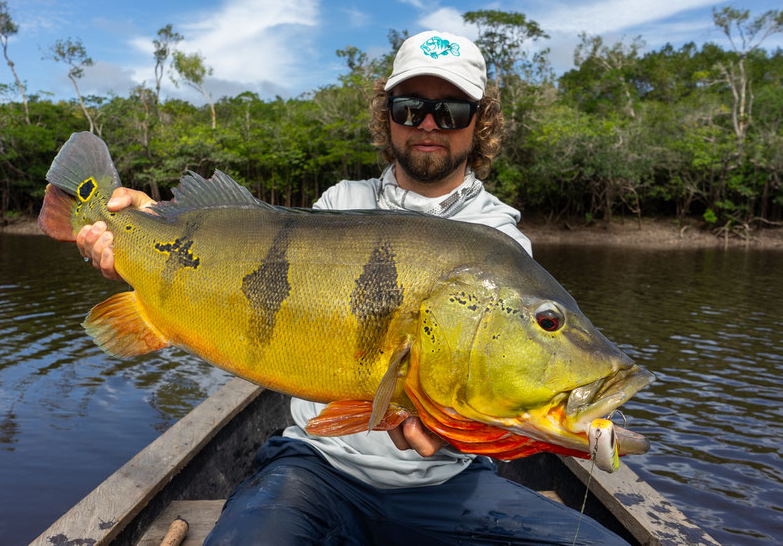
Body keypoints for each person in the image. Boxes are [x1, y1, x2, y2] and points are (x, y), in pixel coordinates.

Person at [77, 30, 626, 545]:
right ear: (387, 119)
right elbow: (239, 258)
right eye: (410, 108)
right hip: (317, 466)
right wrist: (140, 226)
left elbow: (493, 396)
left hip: (447, 482)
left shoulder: (501, 241)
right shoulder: (340, 204)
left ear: (479, 123)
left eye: (452, 109)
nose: (428, 124)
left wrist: (460, 433)